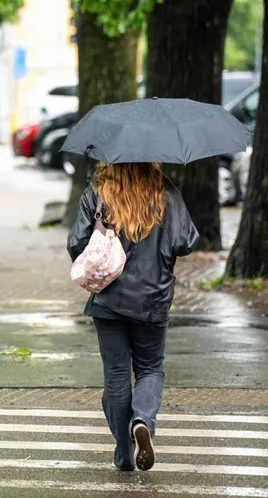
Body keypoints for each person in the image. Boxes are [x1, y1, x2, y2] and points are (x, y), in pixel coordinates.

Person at [67, 162, 199, 472]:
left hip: (108, 300)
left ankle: (124, 455)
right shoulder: (166, 193)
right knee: (150, 368)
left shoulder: (98, 195)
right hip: (153, 299)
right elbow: (186, 242)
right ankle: (142, 420)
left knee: (116, 378)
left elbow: (76, 243)